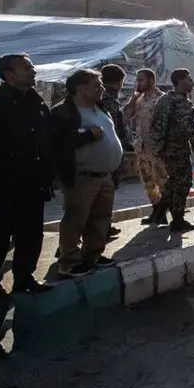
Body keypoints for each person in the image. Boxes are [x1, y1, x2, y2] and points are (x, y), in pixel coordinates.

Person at [0, 54, 55, 302]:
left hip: (34, 183)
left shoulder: (37, 103)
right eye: (26, 68)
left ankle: (24, 277)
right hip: (3, 184)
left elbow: (47, 139)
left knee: (31, 233)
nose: (33, 71)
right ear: (9, 74)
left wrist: (48, 172)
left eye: (32, 67)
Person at [50, 69, 122, 276]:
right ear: (81, 88)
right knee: (75, 219)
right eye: (97, 85)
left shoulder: (100, 108)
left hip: (104, 176)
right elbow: (56, 141)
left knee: (101, 218)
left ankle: (93, 255)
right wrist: (86, 135)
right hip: (82, 176)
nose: (102, 89)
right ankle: (69, 261)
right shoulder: (64, 112)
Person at [148, 69, 194, 232]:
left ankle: (159, 211)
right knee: (183, 183)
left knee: (173, 180)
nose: (192, 83)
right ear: (180, 81)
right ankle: (178, 220)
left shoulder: (164, 99)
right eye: (189, 79)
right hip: (178, 149)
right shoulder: (181, 102)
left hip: (164, 148)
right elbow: (186, 129)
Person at [123, 69, 167, 225]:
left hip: (157, 148)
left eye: (141, 80)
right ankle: (156, 210)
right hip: (141, 148)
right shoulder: (139, 100)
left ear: (151, 81)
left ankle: (162, 212)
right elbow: (126, 116)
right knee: (148, 182)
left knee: (162, 180)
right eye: (137, 80)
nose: (138, 83)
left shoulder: (161, 98)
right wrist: (133, 100)